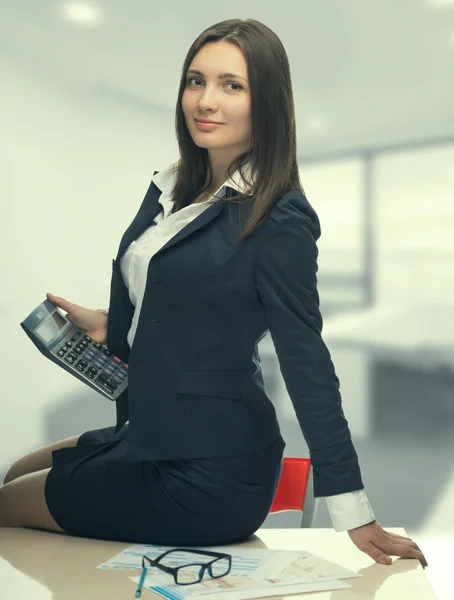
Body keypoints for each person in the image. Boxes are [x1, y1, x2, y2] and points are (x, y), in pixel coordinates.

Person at [0, 18, 427, 568]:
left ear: (266, 102)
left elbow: (307, 362)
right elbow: (188, 301)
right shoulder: (171, 186)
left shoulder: (280, 215)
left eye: (232, 85)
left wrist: (355, 509)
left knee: (7, 504)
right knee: (14, 473)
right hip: (150, 431)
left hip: (213, 471)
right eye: (195, 81)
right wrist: (114, 325)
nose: (206, 100)